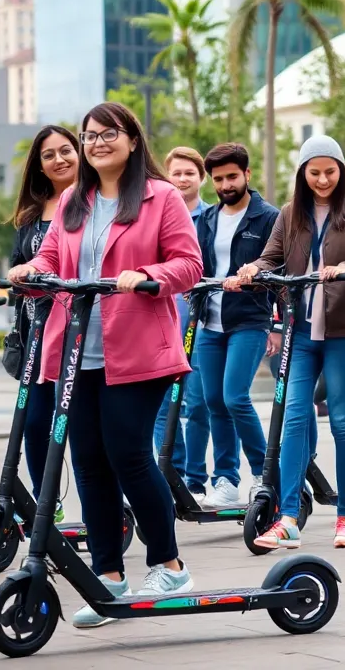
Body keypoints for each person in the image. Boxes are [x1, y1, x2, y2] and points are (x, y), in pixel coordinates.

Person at [7, 101, 203, 627]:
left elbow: (188, 263)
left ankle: (169, 563)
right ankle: (108, 574)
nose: (96, 143)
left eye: (107, 134)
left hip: (139, 351)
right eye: (89, 136)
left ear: (132, 140)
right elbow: (51, 258)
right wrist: (30, 269)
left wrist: (146, 274)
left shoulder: (161, 198)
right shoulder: (75, 198)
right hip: (76, 351)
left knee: (129, 454)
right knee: (90, 462)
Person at [234, 135, 345, 550]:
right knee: (295, 420)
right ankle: (288, 519)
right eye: (314, 172)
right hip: (300, 332)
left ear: (341, 170)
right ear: (303, 173)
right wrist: (253, 268)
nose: (322, 179)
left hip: (344, 330)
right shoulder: (290, 215)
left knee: (341, 421)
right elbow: (272, 258)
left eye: (330, 171)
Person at [194, 143, 279, 508]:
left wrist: (275, 323)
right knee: (214, 400)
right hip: (210, 322)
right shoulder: (207, 219)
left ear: (247, 174)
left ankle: (264, 474)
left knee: (234, 397)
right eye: (218, 179)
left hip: (249, 319)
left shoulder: (269, 217)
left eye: (232, 176)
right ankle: (226, 479)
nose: (226, 184)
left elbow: (280, 269)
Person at [4, 125, 80, 508]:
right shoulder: (31, 215)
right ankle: (45, 502)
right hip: (36, 333)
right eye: (48, 155)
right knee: (34, 423)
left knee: (83, 427)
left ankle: (107, 509)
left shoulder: (93, 202)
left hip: (79, 329)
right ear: (40, 165)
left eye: (65, 150)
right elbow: (19, 268)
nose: (58, 159)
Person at [153, 146, 213, 499]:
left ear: (200, 178)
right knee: (162, 405)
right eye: (176, 173)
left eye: (190, 173)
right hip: (164, 324)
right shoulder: (160, 217)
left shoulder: (211, 217)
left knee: (200, 403)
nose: (182, 179)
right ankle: (168, 473)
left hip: (203, 325)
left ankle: (195, 479)